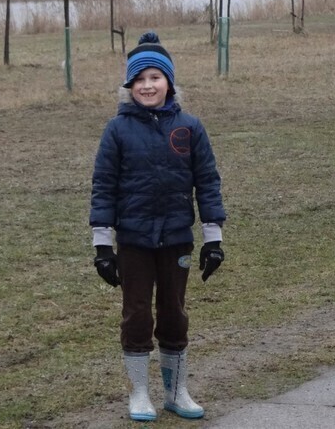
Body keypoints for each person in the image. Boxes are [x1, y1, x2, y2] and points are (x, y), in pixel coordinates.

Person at [89, 31, 226, 421]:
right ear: (129, 85)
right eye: (139, 79)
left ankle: (176, 391)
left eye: (155, 77)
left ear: (169, 82)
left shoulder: (190, 128)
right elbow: (103, 187)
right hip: (134, 241)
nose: (147, 86)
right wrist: (103, 246)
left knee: (173, 313)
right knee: (136, 314)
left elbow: (208, 182)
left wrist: (213, 240)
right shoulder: (117, 130)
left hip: (176, 239)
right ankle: (139, 394)